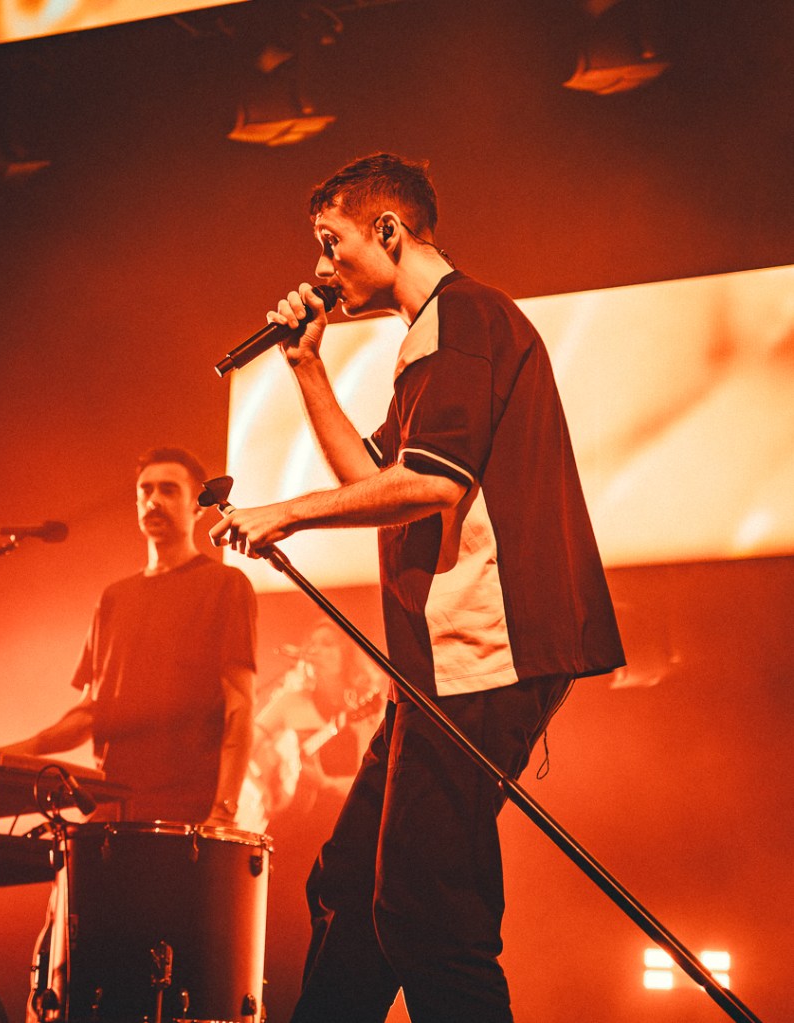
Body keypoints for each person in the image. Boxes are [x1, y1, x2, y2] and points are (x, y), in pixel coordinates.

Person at [209, 153, 625, 1023]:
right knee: (352, 884)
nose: (321, 267)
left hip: (484, 655)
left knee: (426, 905)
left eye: (332, 243)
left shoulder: (462, 319)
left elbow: (431, 482)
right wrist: (306, 366)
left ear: (389, 231)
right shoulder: (432, 338)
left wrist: (285, 513)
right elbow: (374, 477)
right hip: (436, 670)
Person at [0, 446, 257, 825]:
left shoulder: (225, 584)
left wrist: (223, 810)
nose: (154, 500)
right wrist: (4, 759)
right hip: (109, 806)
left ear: (197, 506)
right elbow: (90, 713)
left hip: (186, 811)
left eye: (168, 490)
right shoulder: (114, 597)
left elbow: (240, 706)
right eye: (145, 491)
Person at [243, 619, 384, 1023]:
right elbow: (246, 749)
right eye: (313, 643)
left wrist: (326, 783)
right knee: (278, 923)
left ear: (346, 656)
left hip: (337, 829)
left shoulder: (363, 708)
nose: (317, 650)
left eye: (328, 644)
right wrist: (269, 772)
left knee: (324, 925)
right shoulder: (290, 702)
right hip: (286, 828)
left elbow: (373, 779)